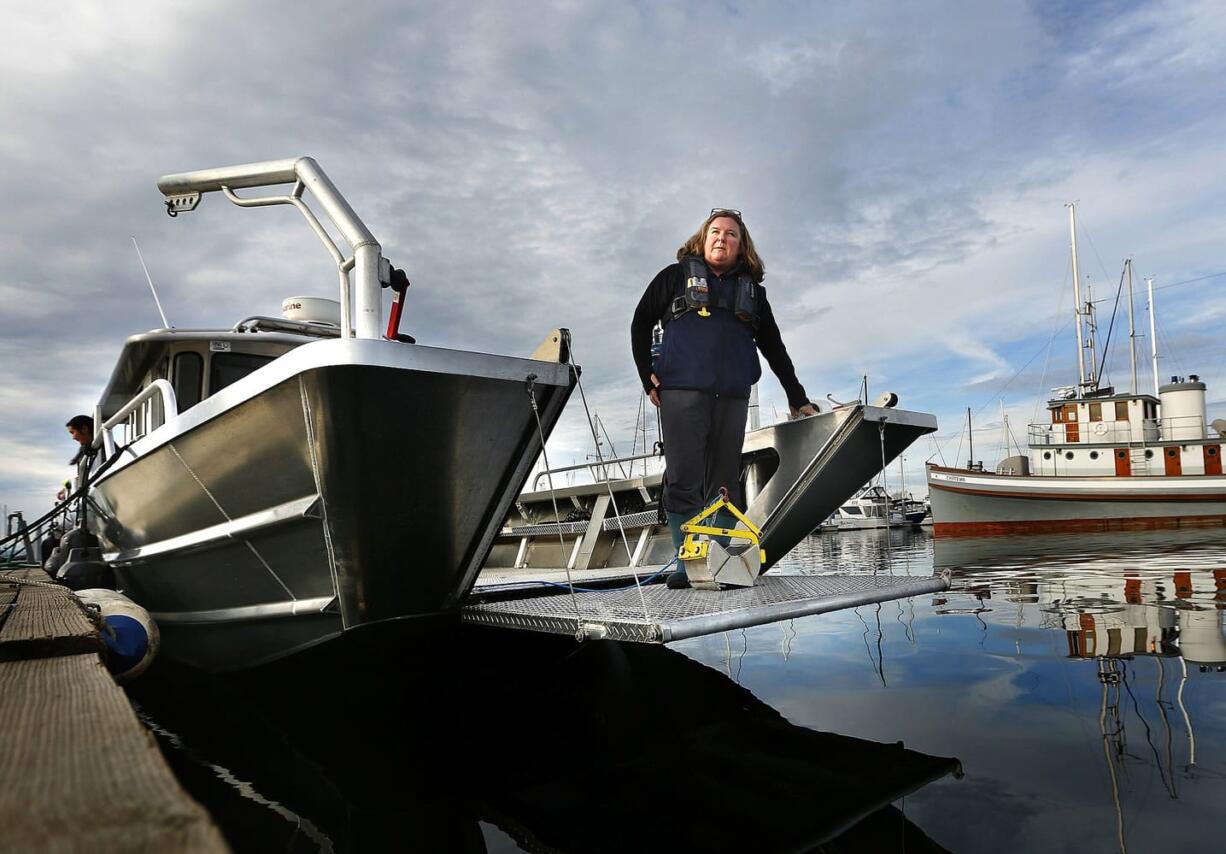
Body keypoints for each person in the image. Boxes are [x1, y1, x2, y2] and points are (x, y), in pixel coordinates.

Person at [631, 209, 817, 588]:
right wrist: (645, 376)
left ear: (741, 245)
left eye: (731, 234)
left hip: (732, 395)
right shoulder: (673, 277)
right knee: (683, 479)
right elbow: (640, 320)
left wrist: (797, 397)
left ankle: (718, 562)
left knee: (723, 482)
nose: (722, 238)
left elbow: (775, 348)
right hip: (681, 392)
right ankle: (688, 563)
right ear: (702, 239)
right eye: (715, 232)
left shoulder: (754, 295)